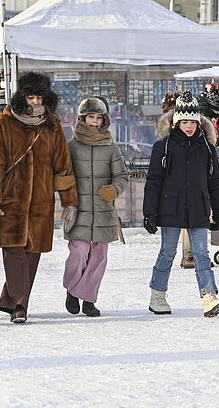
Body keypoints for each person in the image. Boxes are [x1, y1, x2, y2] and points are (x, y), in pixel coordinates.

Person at [0, 72, 79, 324]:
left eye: (40, 97)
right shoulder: (4, 123)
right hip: (10, 198)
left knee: (32, 253)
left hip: (41, 200)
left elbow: (63, 165)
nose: (35, 102)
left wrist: (69, 202)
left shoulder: (53, 125)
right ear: (22, 97)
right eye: (31, 97)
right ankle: (19, 305)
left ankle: (11, 298)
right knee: (13, 251)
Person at [143, 91, 219, 317]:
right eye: (184, 122)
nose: (189, 126)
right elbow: (154, 181)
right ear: (176, 122)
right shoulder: (163, 146)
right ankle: (157, 295)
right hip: (170, 207)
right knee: (167, 252)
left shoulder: (207, 148)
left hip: (199, 206)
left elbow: (214, 182)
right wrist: (149, 213)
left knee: (201, 253)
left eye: (193, 121)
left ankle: (209, 296)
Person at [63, 97, 128, 317]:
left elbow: (121, 175)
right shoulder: (70, 146)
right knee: (78, 252)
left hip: (103, 211)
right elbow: (62, 173)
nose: (94, 121)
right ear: (82, 118)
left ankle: (89, 299)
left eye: (99, 117)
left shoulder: (111, 146)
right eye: (91, 116)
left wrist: (115, 189)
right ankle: (72, 290)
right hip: (78, 210)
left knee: (99, 256)